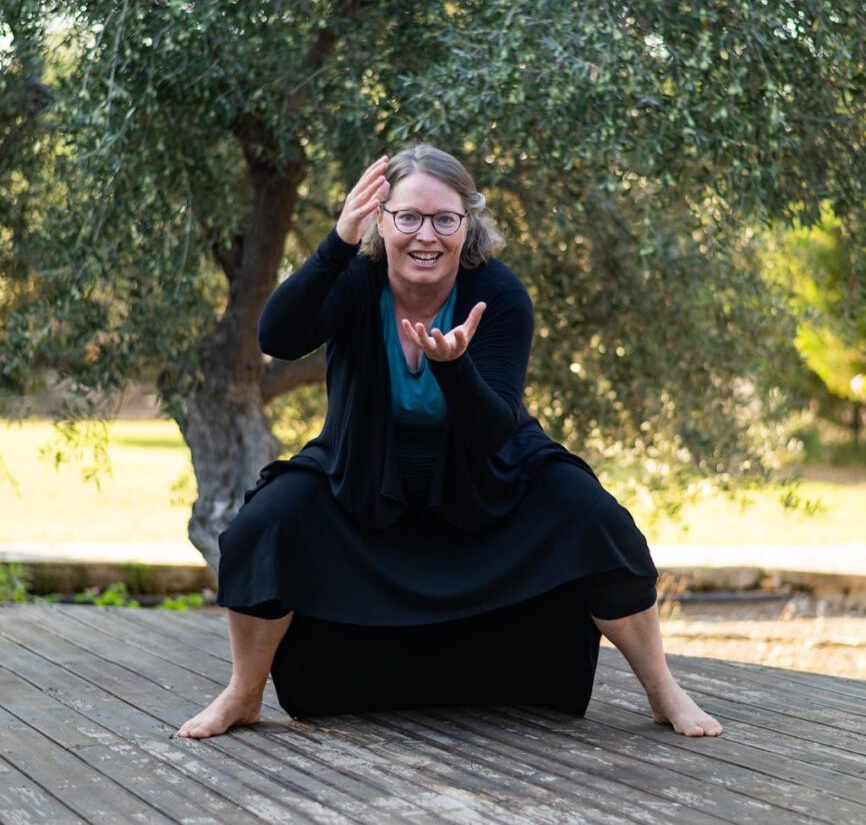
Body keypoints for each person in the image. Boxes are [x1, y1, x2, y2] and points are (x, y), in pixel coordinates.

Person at [176, 145, 721, 740]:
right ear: (380, 220)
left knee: (596, 518)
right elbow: (278, 337)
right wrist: (337, 242)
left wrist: (455, 368)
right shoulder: (354, 279)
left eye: (444, 219)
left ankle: (662, 689)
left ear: (468, 224)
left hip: (489, 476)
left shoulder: (498, 293)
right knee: (262, 526)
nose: (426, 235)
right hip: (361, 474)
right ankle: (244, 693)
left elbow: (494, 431)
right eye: (408, 217)